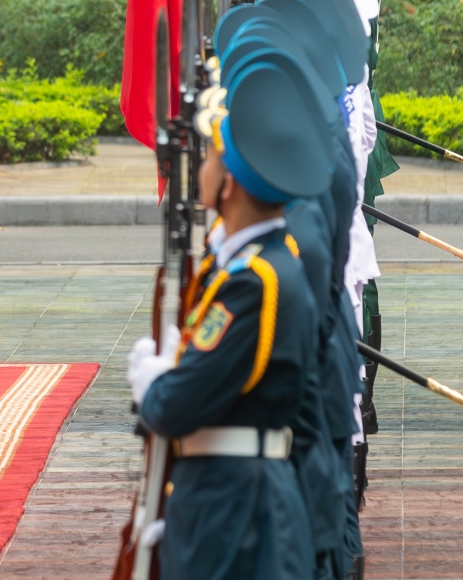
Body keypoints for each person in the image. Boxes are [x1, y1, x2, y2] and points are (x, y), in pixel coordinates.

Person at [127, 38, 328, 580]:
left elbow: (175, 406)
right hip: (231, 498)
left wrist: (154, 381)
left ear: (231, 182)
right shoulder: (256, 265)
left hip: (237, 511)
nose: (203, 166)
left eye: (213, 156)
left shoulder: (254, 282)